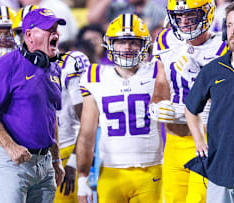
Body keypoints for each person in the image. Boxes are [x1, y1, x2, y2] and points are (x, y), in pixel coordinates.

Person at [0, 8, 66, 203]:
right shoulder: (7, 64)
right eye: (48, 29)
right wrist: (11, 147)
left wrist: (56, 158)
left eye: (56, 29)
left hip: (44, 161)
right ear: (29, 35)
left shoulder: (54, 68)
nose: (55, 34)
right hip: (12, 160)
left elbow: (50, 117)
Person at [76, 13, 163, 203]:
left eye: (133, 42)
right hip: (111, 171)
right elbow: (87, 133)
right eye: (121, 42)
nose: (127, 47)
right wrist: (82, 177)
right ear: (110, 44)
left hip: (152, 169)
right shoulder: (94, 76)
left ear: (144, 45)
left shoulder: (158, 72)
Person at [149, 0, 226, 202]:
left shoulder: (223, 46)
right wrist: (157, 105)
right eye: (179, 16)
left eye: (190, 15)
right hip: (174, 142)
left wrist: (199, 79)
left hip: (207, 141)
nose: (184, 22)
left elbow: (227, 100)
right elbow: (161, 85)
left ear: (206, 14)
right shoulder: (165, 40)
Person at [184, 3, 234, 202]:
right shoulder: (213, 70)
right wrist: (199, 140)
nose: (233, 31)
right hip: (220, 171)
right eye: (230, 25)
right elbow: (190, 109)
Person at [54, 50, 90, 203]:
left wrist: (74, 162)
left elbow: (87, 119)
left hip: (67, 148)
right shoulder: (22, 64)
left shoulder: (70, 62)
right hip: (39, 155)